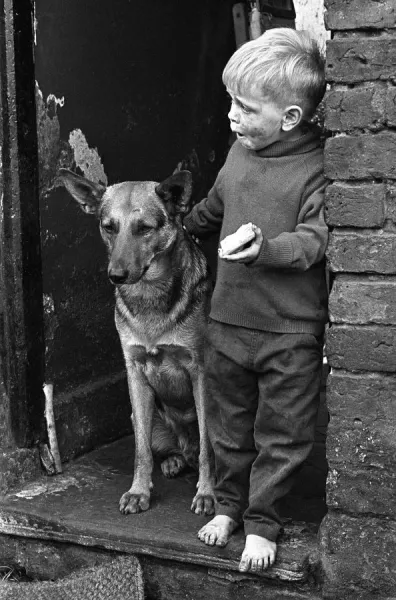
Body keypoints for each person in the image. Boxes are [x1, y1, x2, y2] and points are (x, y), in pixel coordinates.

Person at [183, 27, 328, 573]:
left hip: (288, 330)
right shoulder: (239, 154)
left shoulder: (316, 167)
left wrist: (265, 247)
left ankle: (263, 522)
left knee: (281, 433)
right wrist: (180, 229)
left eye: (245, 108)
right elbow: (213, 207)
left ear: (289, 117)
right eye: (231, 103)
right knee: (228, 424)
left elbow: (314, 241)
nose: (232, 117)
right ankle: (228, 507)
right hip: (228, 321)